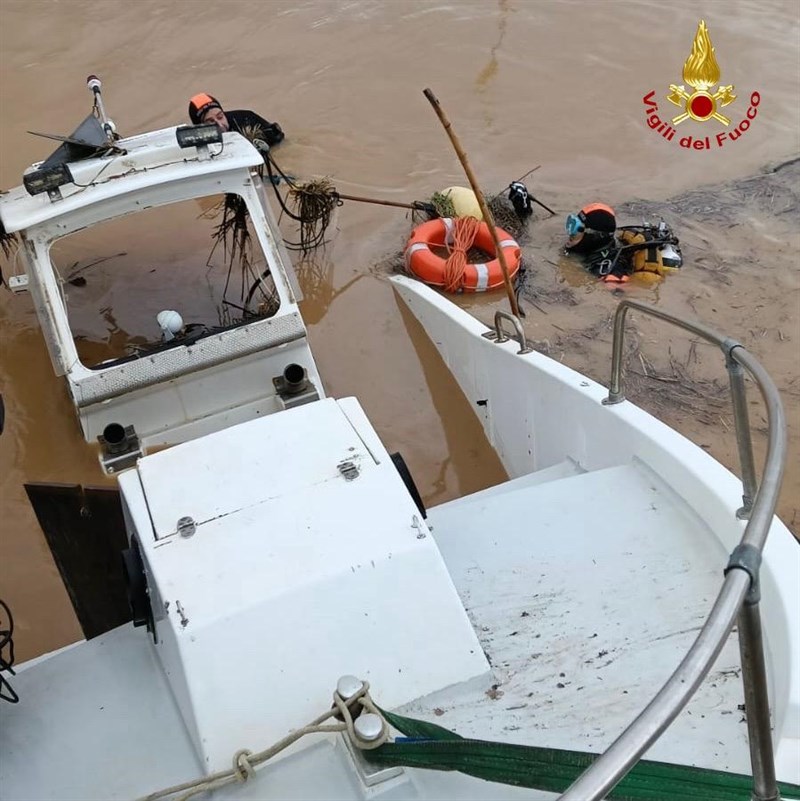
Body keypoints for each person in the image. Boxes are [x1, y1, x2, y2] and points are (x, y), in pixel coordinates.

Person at [188, 93, 284, 148]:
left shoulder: (247, 120)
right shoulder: (193, 141)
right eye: (211, 122)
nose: (220, 125)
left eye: (220, 116)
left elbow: (280, 142)